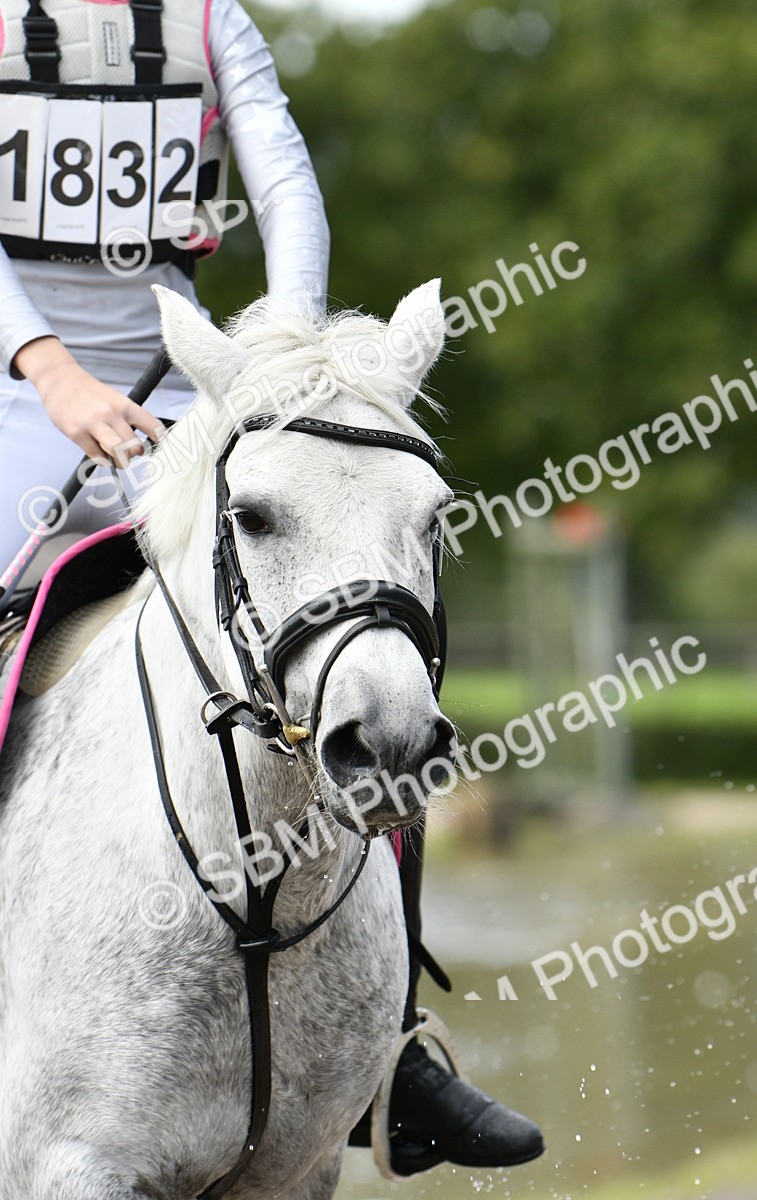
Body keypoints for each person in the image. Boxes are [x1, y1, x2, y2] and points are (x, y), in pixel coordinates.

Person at [0, 0, 543, 1178]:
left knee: (326, 668)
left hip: (190, 380)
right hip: (16, 388)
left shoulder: (206, 18)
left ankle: (390, 1049)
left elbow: (287, 185)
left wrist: (284, 344)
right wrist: (49, 376)